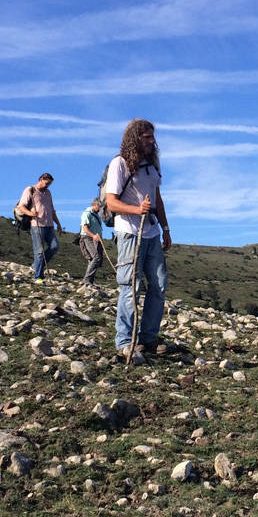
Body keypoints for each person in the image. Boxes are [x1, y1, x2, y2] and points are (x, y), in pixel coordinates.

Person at [104, 118, 171, 354]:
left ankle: (148, 338)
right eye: (146, 138)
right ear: (135, 138)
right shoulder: (119, 164)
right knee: (130, 287)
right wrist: (137, 210)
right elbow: (111, 202)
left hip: (151, 232)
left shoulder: (152, 164)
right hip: (130, 232)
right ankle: (125, 342)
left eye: (153, 137)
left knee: (159, 285)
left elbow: (157, 198)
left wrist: (166, 228)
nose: (152, 142)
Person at [16, 173, 63, 282]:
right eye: (47, 183)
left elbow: (52, 209)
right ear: (41, 179)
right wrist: (30, 213)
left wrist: (58, 224)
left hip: (49, 225)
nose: (48, 186)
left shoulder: (48, 193)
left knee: (54, 247)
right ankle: (38, 277)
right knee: (39, 252)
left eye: (50, 184)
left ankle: (36, 265)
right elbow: (21, 206)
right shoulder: (30, 190)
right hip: (37, 225)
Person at [78, 197, 107, 285]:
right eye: (99, 206)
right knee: (96, 257)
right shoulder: (87, 214)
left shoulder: (96, 216)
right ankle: (87, 279)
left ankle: (90, 281)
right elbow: (85, 228)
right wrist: (94, 235)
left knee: (93, 259)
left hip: (95, 239)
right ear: (94, 205)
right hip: (87, 237)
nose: (100, 209)